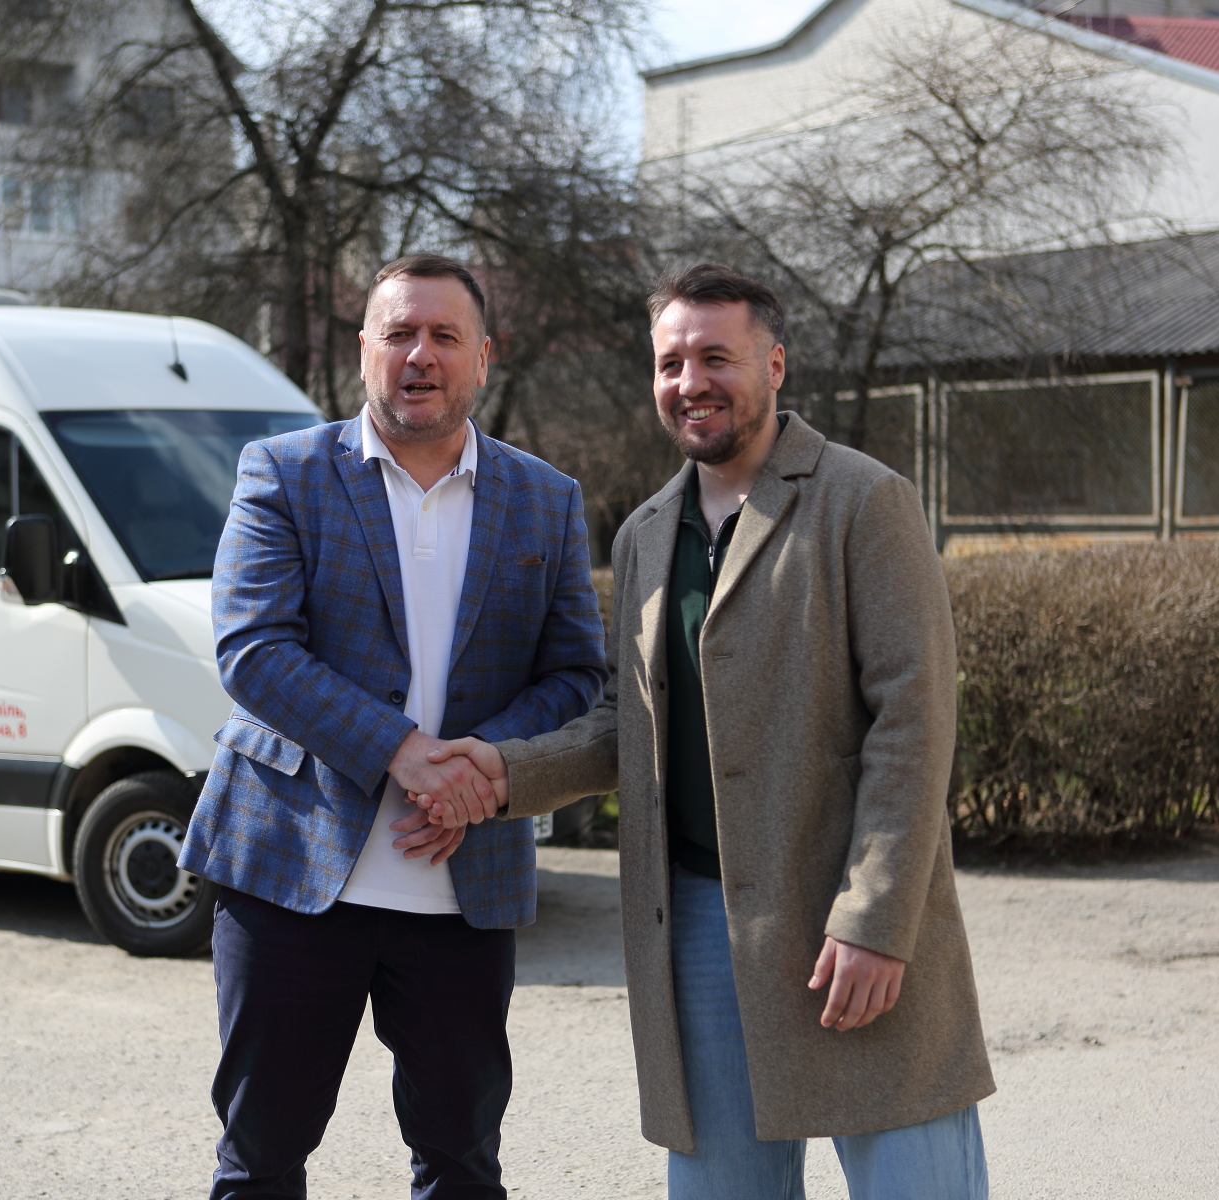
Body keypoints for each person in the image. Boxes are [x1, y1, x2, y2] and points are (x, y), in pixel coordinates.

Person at [412, 264, 995, 1199]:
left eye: (716, 357)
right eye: (671, 363)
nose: (692, 382)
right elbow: (624, 726)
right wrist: (500, 771)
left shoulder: (863, 501)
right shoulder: (644, 534)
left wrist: (877, 921)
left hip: (843, 917)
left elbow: (914, 726)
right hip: (692, 927)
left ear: (775, 364)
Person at [179, 253, 608, 1200]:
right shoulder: (284, 472)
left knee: (462, 1164)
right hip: (290, 874)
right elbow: (254, 650)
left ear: (483, 357)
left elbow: (578, 674)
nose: (422, 355)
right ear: (363, 348)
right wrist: (406, 755)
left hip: (463, 890)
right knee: (260, 1160)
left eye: (445, 335)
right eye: (400, 333)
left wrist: (482, 773)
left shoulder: (546, 498)